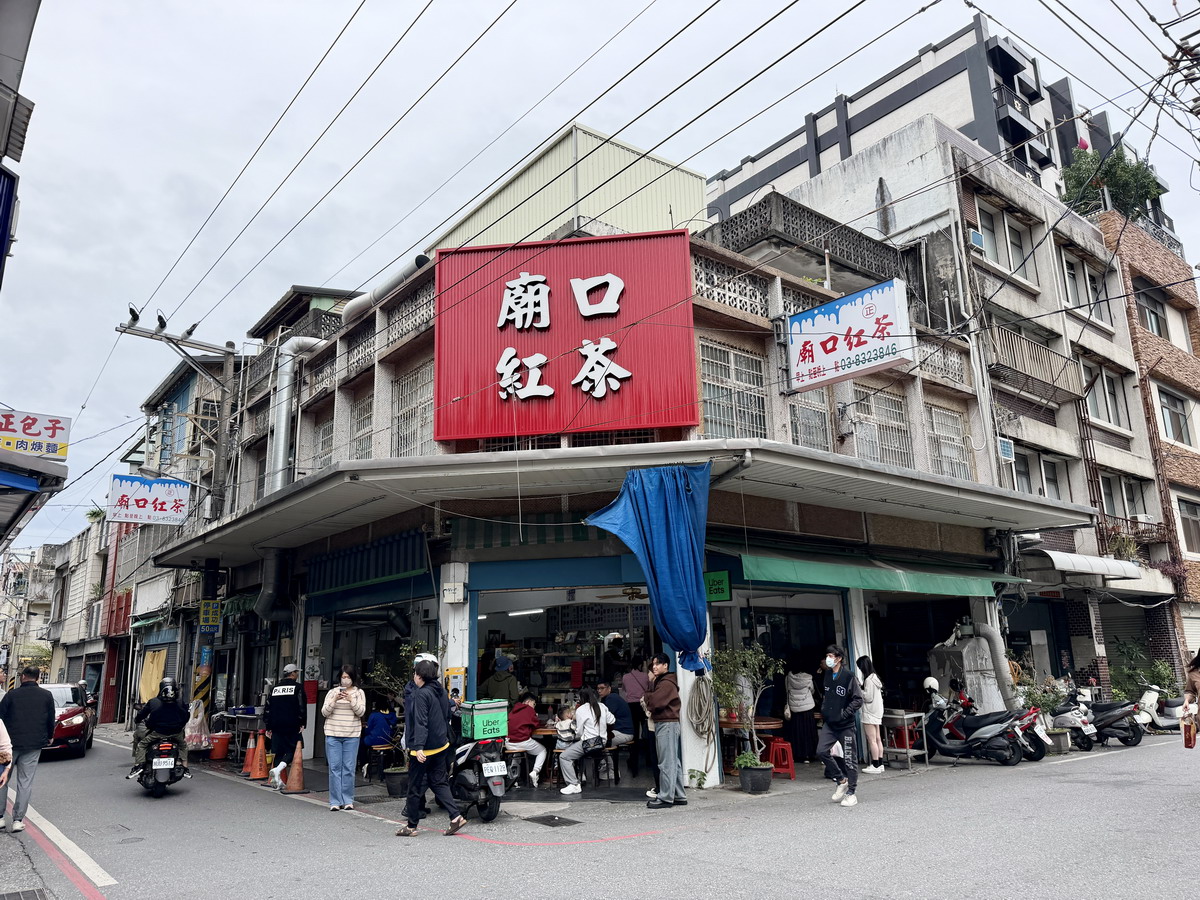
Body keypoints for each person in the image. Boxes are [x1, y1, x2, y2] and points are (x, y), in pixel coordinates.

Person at [396, 659, 466, 837]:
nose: (414, 677)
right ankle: (456, 816)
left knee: (414, 787)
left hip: (424, 749)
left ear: (420, 676)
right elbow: (445, 715)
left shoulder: (421, 694)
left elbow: (421, 722)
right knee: (439, 782)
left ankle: (411, 826)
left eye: (415, 674)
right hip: (441, 745)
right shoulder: (441, 691)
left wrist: (418, 747)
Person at [0, 667, 55, 832]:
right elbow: (50, 718)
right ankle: (17, 820)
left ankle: (0, 818)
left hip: (8, 745)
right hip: (33, 744)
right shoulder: (46, 696)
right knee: (25, 782)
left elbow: (0, 718)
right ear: (38, 678)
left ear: (23, 677)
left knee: (2, 780)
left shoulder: (11, 695)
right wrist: (50, 736)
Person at [817, 645, 864, 808]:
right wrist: (825, 711)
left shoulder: (849, 676)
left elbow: (858, 699)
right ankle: (841, 780)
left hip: (845, 725)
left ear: (839, 658)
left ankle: (851, 792)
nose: (828, 659)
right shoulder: (827, 675)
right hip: (830, 724)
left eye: (831, 656)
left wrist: (845, 713)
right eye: (827, 655)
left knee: (850, 759)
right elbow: (827, 696)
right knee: (821, 751)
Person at [643, 652, 686, 810]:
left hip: (666, 723)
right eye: (653, 664)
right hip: (668, 723)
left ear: (666, 665)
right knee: (673, 761)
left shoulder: (666, 683)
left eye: (657, 664)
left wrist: (648, 696)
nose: (654, 667)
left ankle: (666, 797)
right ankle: (679, 795)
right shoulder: (665, 681)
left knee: (666, 762)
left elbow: (654, 702)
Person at [321, 665, 366, 811]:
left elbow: (361, 712)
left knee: (348, 768)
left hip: (351, 735)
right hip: (333, 733)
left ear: (353, 678)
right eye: (343, 677)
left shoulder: (359, 693)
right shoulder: (332, 692)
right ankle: (335, 801)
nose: (345, 680)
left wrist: (351, 700)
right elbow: (324, 712)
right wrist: (334, 699)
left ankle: (347, 800)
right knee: (334, 768)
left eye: (348, 677)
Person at [129, 676, 191, 778]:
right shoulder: (180, 702)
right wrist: (180, 726)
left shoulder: (154, 702)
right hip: (176, 733)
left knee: (142, 744)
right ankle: (185, 767)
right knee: (183, 746)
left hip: (157, 733)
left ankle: (138, 765)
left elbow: (145, 717)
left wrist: (139, 721)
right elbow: (186, 716)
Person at [559, 687, 614, 795]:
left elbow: (579, 732)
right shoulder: (602, 706)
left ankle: (573, 784)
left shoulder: (581, 709)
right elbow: (612, 720)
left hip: (589, 743)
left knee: (564, 757)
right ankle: (579, 779)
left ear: (582, 698)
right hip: (602, 742)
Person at [265, 663, 307, 790]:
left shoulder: (275, 688)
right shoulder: (298, 688)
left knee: (279, 751)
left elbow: (268, 708)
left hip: (276, 725)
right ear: (293, 673)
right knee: (292, 750)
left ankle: (277, 781)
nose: (297, 674)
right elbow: (301, 707)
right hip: (291, 724)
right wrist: (303, 722)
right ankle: (277, 770)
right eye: (297, 672)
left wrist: (268, 726)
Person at [505, 692, 547, 788]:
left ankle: (513, 779)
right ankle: (535, 771)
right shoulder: (528, 709)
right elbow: (536, 724)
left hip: (509, 742)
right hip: (522, 741)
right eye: (534, 703)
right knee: (542, 750)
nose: (534, 706)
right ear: (528, 702)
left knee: (516, 754)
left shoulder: (513, 710)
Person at [783, 653, 818, 765]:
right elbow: (812, 691)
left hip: (794, 709)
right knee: (808, 732)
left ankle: (798, 754)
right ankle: (809, 754)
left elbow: (786, 691)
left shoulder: (788, 677)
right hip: (807, 708)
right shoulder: (808, 678)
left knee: (797, 732)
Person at [597, 680, 633, 778]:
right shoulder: (607, 699)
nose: (599, 691)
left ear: (609, 689)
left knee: (600, 742)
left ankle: (612, 771)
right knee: (600, 741)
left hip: (624, 732)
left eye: (602, 688)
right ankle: (607, 767)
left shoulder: (611, 698)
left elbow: (605, 718)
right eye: (598, 689)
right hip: (617, 731)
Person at [857, 655, 885, 774]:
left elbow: (868, 697)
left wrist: (859, 689)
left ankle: (875, 765)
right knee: (878, 738)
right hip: (877, 712)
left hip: (869, 712)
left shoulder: (868, 680)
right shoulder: (875, 678)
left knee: (871, 739)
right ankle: (880, 763)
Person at [622, 657, 649, 776]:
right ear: (640, 665)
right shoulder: (645, 676)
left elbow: (624, 690)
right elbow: (649, 689)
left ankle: (633, 763)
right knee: (647, 732)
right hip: (643, 706)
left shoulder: (625, 677)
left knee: (634, 735)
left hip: (631, 706)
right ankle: (649, 759)